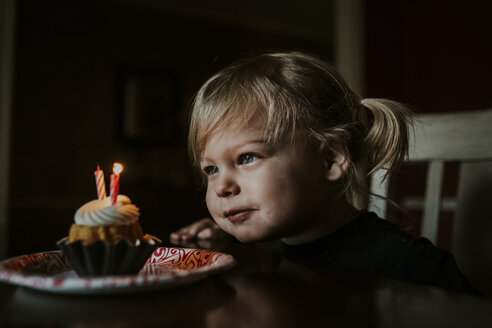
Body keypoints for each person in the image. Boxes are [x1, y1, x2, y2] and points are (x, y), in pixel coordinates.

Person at [170, 51, 481, 295]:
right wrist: (228, 256)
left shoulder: (411, 267)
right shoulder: (265, 262)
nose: (222, 186)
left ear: (331, 159)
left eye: (247, 157)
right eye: (210, 169)